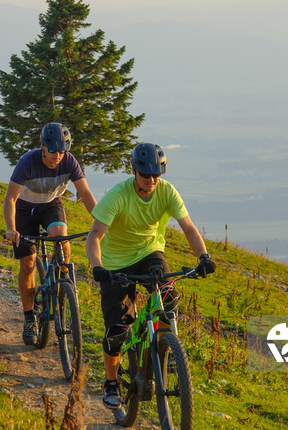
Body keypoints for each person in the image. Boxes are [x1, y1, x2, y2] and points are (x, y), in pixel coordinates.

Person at [85, 142, 216, 409]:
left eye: (157, 174)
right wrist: (98, 267)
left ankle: (167, 354)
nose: (152, 180)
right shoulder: (118, 195)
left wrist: (203, 256)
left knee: (169, 298)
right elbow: (94, 235)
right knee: (117, 329)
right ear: (133, 170)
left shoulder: (166, 192)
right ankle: (111, 382)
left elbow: (188, 227)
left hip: (150, 254)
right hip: (115, 264)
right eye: (146, 174)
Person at [4, 122, 97, 345]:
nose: (57, 155)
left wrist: (100, 221)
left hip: (50, 204)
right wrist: (11, 228)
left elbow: (84, 192)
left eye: (62, 151)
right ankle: (29, 319)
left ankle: (62, 284)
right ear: (43, 146)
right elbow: (11, 199)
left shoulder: (69, 161)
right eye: (53, 150)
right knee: (28, 263)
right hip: (25, 208)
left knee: (61, 239)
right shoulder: (28, 161)